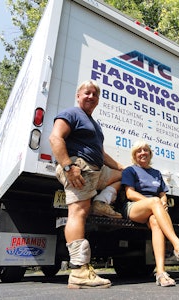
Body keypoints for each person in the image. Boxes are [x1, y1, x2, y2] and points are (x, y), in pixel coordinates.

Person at [49, 79, 124, 289]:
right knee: (78, 212)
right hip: (79, 168)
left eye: (95, 94)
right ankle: (79, 270)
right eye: (87, 93)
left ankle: (101, 202)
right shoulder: (71, 114)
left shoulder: (94, 125)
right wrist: (68, 167)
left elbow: (100, 152)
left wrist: (121, 166)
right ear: (78, 95)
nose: (91, 96)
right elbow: (55, 138)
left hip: (96, 170)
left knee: (122, 176)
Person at [121, 140, 179, 287]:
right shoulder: (130, 170)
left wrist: (162, 201)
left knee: (156, 222)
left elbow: (163, 194)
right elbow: (130, 193)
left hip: (153, 209)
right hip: (134, 207)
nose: (142, 153)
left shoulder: (156, 173)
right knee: (155, 202)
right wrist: (154, 203)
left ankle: (161, 273)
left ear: (150, 154)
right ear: (134, 155)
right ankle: (178, 246)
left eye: (145, 150)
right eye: (139, 151)